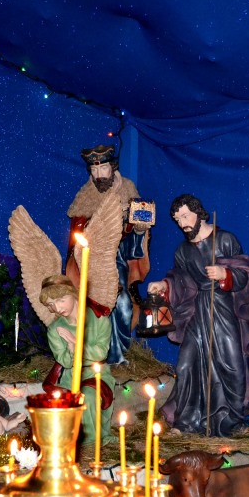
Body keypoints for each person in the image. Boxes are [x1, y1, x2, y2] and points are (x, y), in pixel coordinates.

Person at [147, 194, 249, 436]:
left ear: (199, 213)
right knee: (186, 364)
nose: (182, 223)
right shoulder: (182, 251)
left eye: (185, 216)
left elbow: (245, 274)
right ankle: (187, 421)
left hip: (223, 309)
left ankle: (232, 420)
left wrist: (225, 274)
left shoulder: (225, 240)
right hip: (198, 312)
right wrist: (164, 285)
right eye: (178, 220)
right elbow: (181, 281)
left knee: (232, 364)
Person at [65, 144, 151, 365]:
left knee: (123, 304)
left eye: (102, 168)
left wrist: (138, 229)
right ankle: (95, 354)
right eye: (94, 170)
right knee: (95, 307)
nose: (98, 174)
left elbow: (135, 228)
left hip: (118, 259)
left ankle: (117, 354)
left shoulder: (127, 189)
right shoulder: (85, 196)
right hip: (92, 263)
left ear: (112, 167)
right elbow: (77, 235)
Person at [40, 275, 115, 445]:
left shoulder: (99, 319)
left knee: (87, 396)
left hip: (96, 374)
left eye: (61, 300)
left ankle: (90, 443)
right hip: (70, 376)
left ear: (74, 294)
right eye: (51, 304)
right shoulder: (54, 329)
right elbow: (65, 362)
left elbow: (100, 354)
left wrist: (76, 343)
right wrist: (71, 348)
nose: (57, 308)